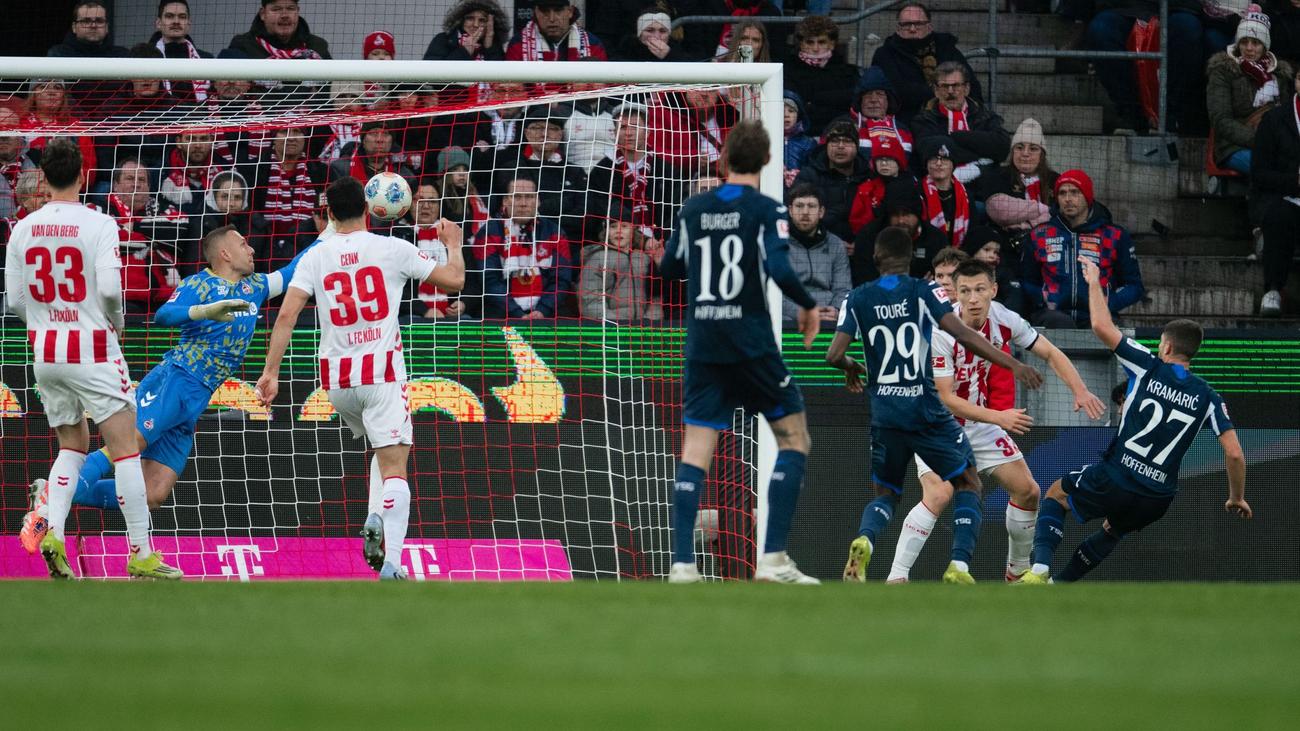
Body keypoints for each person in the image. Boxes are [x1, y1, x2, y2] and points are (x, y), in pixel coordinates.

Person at [20, 225, 317, 551]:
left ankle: (56, 489)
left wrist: (330, 235)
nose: (252, 250)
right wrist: (205, 311)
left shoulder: (255, 286)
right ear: (225, 253)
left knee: (153, 493)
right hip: (177, 378)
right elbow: (164, 315)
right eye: (243, 244)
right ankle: (49, 508)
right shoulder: (200, 284)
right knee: (127, 445)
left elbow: (291, 272)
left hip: (199, 396)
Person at [256, 177, 466, 580]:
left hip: (336, 384)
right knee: (397, 468)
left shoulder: (315, 256)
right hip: (381, 375)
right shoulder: (393, 248)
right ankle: (392, 563)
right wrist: (453, 242)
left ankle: (374, 515)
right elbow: (455, 281)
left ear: (329, 214)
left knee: (380, 448)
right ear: (369, 209)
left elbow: (286, 316)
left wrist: (270, 373)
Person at [824, 226, 1044, 585]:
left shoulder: (856, 298)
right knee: (968, 483)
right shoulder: (923, 290)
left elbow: (833, 354)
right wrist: (1013, 363)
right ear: (911, 259)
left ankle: (867, 539)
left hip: (884, 414)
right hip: (925, 411)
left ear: (875, 258)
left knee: (887, 494)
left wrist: (851, 368)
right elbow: (963, 334)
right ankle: (958, 565)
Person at [5, 138, 179, 580]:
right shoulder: (99, 223)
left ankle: (54, 533)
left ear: (41, 177)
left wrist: (44, 323)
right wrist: (115, 322)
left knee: (72, 445)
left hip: (46, 351)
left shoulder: (22, 228)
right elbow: (107, 290)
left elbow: (15, 300)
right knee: (123, 452)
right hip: (93, 346)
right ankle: (141, 552)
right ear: (84, 176)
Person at [658, 120, 822, 585]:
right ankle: (772, 561)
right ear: (768, 160)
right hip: (751, 343)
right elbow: (778, 266)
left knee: (696, 451)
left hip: (705, 344)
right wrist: (809, 304)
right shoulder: (767, 209)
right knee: (794, 440)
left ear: (724, 160)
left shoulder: (694, 208)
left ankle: (682, 565)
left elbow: (669, 268)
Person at [1018, 259, 1250, 584]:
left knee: (1057, 493)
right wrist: (1236, 496)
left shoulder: (1148, 365)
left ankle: (1040, 570)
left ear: (1166, 346)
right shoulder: (1207, 396)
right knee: (1112, 532)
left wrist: (1095, 281)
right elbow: (1235, 452)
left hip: (1118, 476)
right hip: (1157, 497)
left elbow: (1101, 326)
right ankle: (1059, 585)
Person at [885, 258, 1105, 583]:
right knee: (938, 494)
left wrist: (1080, 390)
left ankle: (1016, 573)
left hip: (979, 421)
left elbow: (1051, 353)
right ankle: (896, 577)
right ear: (954, 295)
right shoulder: (942, 330)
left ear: (993, 290)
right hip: (936, 424)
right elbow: (946, 398)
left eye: (979, 290)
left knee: (1028, 491)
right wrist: (999, 416)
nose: (973, 298)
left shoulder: (1006, 319)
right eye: (965, 291)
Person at [1024, 169, 1145, 327]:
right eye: (1062, 193)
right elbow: (1026, 280)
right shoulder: (1039, 234)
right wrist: (1043, 299)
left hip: (1098, 315)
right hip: (1053, 316)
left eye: (1075, 192)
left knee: (1105, 326)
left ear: (1087, 196)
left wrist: (1109, 302)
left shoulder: (1114, 235)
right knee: (1060, 323)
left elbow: (1134, 286)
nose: (1068, 199)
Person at [1085, 0, 1204, 133]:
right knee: (1101, 29)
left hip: (1177, 9)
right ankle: (1131, 115)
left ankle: (1173, 116)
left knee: (1188, 28)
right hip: (1126, 10)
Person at [1207, 7, 1294, 176]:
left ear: (1264, 46)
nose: (1249, 48)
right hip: (1233, 146)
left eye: (1255, 43)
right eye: (1244, 41)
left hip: (1273, 145)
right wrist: (1261, 140)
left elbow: (1286, 118)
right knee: (1274, 169)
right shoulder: (1223, 71)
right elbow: (1221, 120)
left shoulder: (1278, 74)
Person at [587, 102, 686, 250]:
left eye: (635, 127)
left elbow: (675, 212)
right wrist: (642, 241)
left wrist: (658, 241)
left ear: (647, 132)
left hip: (664, 244)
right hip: (618, 247)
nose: (629, 133)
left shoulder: (668, 170)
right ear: (614, 132)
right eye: (623, 127)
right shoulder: (601, 171)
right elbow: (600, 218)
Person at [481, 177, 576, 319]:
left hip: (547, 312)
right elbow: (489, 280)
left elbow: (561, 279)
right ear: (505, 201)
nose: (523, 204)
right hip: (502, 313)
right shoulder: (489, 232)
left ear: (538, 201)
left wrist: (543, 309)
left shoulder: (554, 232)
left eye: (529, 197)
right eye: (517, 197)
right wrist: (517, 313)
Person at [870, 3, 982, 123]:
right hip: (907, 120)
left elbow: (971, 85)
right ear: (898, 29)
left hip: (955, 116)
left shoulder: (947, 49)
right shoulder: (885, 54)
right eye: (906, 24)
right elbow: (896, 92)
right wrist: (943, 92)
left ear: (929, 27)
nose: (912, 29)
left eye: (918, 24)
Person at [910, 62, 1010, 190]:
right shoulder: (923, 120)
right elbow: (930, 152)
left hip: (986, 187)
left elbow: (1002, 147)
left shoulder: (984, 115)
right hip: (942, 189)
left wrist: (956, 137)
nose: (950, 91)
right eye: (944, 86)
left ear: (967, 88)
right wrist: (982, 156)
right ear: (935, 90)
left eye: (956, 85)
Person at [1249, 72, 1300, 315]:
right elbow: (1259, 173)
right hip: (1283, 197)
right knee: (1280, 218)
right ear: (1297, 81)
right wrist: (1294, 181)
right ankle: (1273, 289)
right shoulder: (1275, 120)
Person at [395, 179, 469, 320]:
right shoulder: (397, 235)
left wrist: (463, 303)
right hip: (411, 313)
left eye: (433, 201)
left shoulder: (453, 233)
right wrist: (424, 310)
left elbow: (472, 281)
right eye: (420, 200)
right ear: (409, 204)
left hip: (450, 312)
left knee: (467, 321)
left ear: (440, 205)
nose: (426, 206)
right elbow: (393, 287)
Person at [793, 117, 873, 243]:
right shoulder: (809, 176)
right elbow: (798, 217)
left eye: (847, 141)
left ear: (856, 147)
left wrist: (862, 245)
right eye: (835, 141)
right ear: (826, 146)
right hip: (818, 246)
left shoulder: (869, 177)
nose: (840, 146)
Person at [852, 178, 946, 284]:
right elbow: (864, 280)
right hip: (879, 298)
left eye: (906, 214)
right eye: (895, 214)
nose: (901, 220)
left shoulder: (935, 239)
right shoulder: (869, 237)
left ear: (917, 214)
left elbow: (941, 279)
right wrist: (911, 289)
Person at [579, 204, 663, 322]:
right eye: (613, 227)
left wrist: (648, 320)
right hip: (610, 328)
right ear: (606, 231)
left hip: (642, 328)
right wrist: (616, 323)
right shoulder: (597, 259)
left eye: (624, 226)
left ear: (633, 231)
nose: (618, 231)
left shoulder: (644, 258)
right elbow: (590, 302)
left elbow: (656, 297)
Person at [783, 15, 861, 137]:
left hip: (838, 136)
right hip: (799, 136)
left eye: (821, 42)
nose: (815, 48)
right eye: (810, 42)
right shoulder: (787, 70)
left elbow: (851, 102)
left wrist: (813, 101)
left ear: (832, 44)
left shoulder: (847, 72)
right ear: (801, 44)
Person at [785, 184, 851, 325]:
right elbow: (774, 293)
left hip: (829, 319)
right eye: (799, 206)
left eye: (811, 206)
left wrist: (836, 310)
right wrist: (802, 313)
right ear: (790, 211)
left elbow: (843, 288)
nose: (805, 212)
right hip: (788, 321)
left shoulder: (836, 244)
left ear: (821, 212)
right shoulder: (777, 243)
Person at [982, 118, 1057, 234]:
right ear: (1012, 152)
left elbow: (1068, 213)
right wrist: (1045, 211)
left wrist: (1024, 223)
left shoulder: (1056, 180)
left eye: (1033, 148)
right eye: (1019, 147)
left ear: (1042, 155)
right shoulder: (997, 175)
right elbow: (1000, 211)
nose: (1025, 153)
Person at [847, 132, 914, 236]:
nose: (883, 163)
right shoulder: (865, 189)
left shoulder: (912, 188)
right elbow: (856, 221)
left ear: (899, 163)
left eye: (889, 159)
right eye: (879, 159)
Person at [148, 1, 214, 105]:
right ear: (158, 23)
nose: (176, 21)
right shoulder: (144, 58)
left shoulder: (207, 59)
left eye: (182, 17)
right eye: (169, 16)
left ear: (188, 24)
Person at [505, 0, 609, 62]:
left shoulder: (593, 44)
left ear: (570, 12)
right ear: (536, 12)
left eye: (558, 10)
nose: (552, 18)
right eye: (545, 11)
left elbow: (601, 92)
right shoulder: (518, 44)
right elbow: (510, 90)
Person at [916, 135, 972, 249]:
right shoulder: (916, 192)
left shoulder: (966, 194)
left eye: (944, 159)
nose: (939, 163)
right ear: (926, 164)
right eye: (933, 158)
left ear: (953, 164)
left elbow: (973, 230)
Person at [227, 0, 332, 60]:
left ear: (298, 12)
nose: (284, 15)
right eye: (276, 9)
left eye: (291, 9)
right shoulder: (243, 45)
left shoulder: (317, 46)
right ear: (263, 14)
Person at [961, 225, 1026, 316]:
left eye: (996, 252)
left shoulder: (1003, 273)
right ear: (973, 250)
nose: (992, 256)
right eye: (987, 250)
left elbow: (1014, 299)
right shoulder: (960, 272)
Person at [851, 66, 914, 159]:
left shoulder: (903, 130)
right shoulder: (845, 125)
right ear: (860, 100)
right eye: (868, 94)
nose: (873, 100)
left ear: (889, 100)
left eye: (880, 94)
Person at [424, 0, 510, 61]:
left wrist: (490, 49)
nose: (475, 25)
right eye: (470, 18)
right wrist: (464, 52)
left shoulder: (494, 45)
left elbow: (500, 80)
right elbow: (432, 78)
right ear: (461, 20)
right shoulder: (443, 40)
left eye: (482, 20)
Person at [47, 1, 128, 58]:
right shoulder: (59, 54)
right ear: (74, 27)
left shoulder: (122, 55)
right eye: (86, 21)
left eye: (99, 21)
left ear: (106, 27)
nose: (93, 25)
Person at [614, 10, 689, 61]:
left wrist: (669, 56)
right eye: (650, 30)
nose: (657, 36)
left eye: (662, 31)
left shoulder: (677, 51)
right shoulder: (625, 51)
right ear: (639, 33)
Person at [783, 91, 816, 186]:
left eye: (791, 111)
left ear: (799, 115)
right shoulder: (767, 141)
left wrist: (800, 176)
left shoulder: (809, 143)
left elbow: (813, 173)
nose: (786, 115)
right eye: (781, 110)